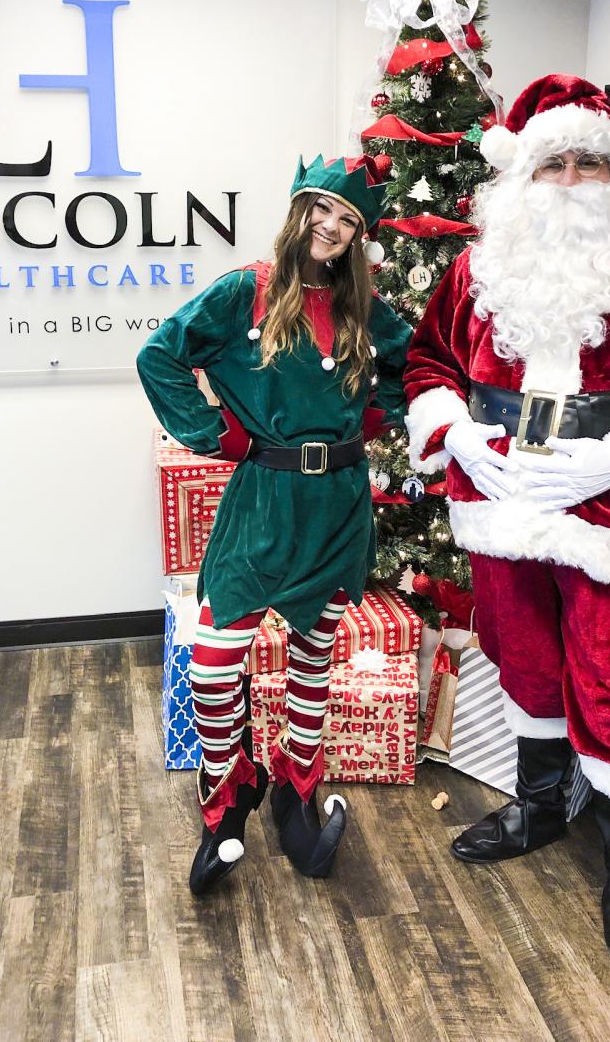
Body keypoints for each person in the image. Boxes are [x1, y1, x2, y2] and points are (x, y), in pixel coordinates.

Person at [403, 74, 610, 976]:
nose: (575, 177)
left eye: (594, 160)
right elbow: (429, 364)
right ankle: (541, 803)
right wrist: (457, 435)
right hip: (503, 500)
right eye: (555, 161)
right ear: (524, 176)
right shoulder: (476, 270)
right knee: (525, 658)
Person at [138, 154, 412, 895]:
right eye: (322, 208)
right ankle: (229, 791)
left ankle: (296, 787)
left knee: (313, 657)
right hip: (262, 501)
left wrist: (374, 416)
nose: (331, 226)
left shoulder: (363, 308)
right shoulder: (245, 292)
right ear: (301, 209)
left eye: (348, 219)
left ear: (359, 234)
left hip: (338, 508)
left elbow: (418, 367)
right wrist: (214, 434)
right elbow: (159, 356)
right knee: (214, 663)